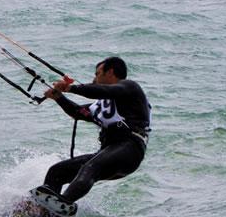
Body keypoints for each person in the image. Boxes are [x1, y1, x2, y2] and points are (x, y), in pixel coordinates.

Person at [37, 56, 150, 206]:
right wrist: (58, 97)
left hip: (130, 149)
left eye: (97, 74)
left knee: (90, 167)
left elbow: (101, 90)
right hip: (109, 152)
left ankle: (62, 205)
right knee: (57, 171)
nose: (94, 79)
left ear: (110, 72)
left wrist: (71, 88)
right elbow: (78, 112)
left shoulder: (129, 87)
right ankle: (41, 210)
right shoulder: (102, 105)